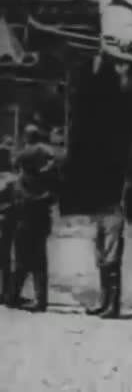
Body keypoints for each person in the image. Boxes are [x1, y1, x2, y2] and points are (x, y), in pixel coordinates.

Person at [7, 124, 58, 312]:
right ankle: (40, 300)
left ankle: (13, 296)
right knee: (39, 262)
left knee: (21, 260)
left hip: (24, 220)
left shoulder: (21, 179)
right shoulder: (46, 175)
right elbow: (52, 197)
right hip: (40, 220)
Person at [84, 179, 129, 319]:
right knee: (101, 256)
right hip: (102, 207)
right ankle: (104, 303)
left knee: (111, 258)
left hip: (112, 209)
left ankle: (113, 307)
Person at [0, 171, 17, 303]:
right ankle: (6, 293)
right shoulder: (11, 182)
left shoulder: (9, 182)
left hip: (6, 227)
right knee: (5, 261)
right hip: (6, 226)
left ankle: (6, 292)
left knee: (5, 260)